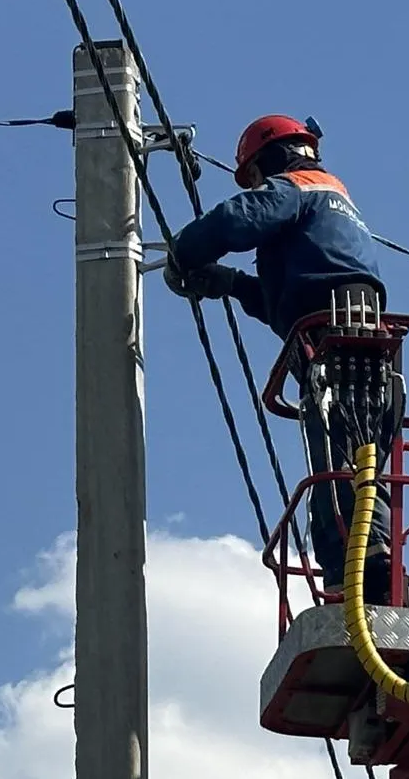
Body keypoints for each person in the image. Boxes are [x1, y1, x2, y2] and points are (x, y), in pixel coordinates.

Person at [163, 114, 393, 601]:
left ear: (269, 159)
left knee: (335, 459)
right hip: (360, 336)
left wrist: (183, 253)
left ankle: (349, 577)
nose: (257, 185)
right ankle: (373, 563)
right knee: (365, 456)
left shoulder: (296, 189)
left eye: (253, 177)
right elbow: (285, 300)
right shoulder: (335, 205)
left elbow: (236, 220)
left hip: (333, 339)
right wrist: (230, 284)